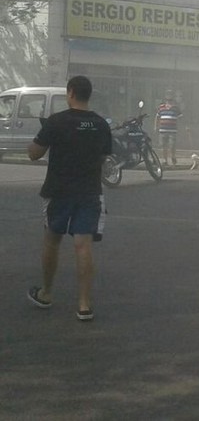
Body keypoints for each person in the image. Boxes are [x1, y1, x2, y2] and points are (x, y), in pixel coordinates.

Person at [27, 75, 112, 322]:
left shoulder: (56, 121)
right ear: (89, 94)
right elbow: (104, 157)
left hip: (58, 191)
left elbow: (34, 153)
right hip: (90, 192)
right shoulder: (101, 124)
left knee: (52, 241)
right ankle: (84, 305)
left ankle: (46, 293)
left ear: (71, 92)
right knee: (83, 245)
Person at [155, 89, 182, 166]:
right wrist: (155, 126)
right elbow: (157, 117)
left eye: (170, 96)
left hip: (172, 130)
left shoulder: (176, 108)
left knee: (172, 145)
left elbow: (181, 118)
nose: (169, 100)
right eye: (167, 96)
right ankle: (165, 160)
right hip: (162, 130)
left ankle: (173, 156)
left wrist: (183, 127)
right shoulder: (161, 107)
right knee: (164, 146)